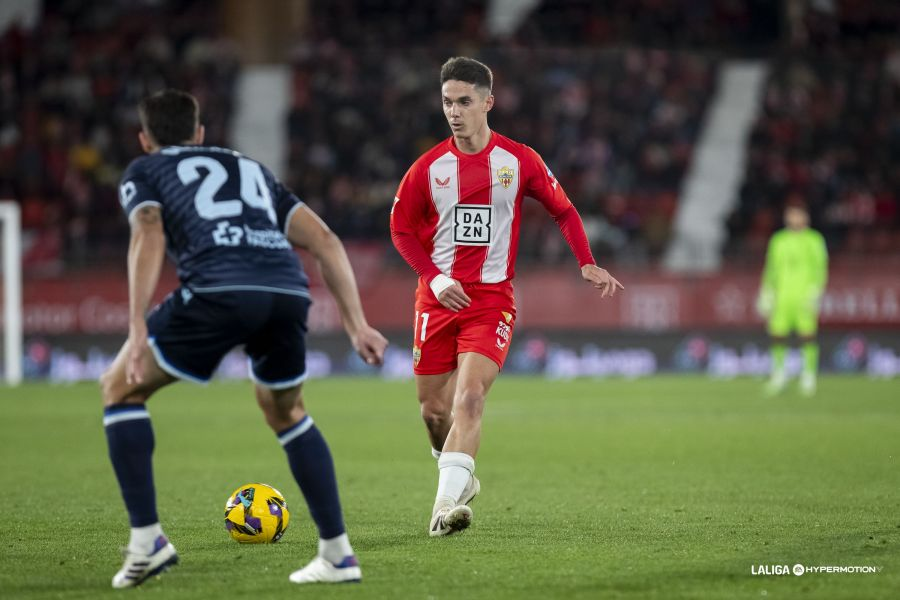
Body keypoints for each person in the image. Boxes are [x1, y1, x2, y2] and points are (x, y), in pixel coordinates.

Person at [101, 89, 387, 587]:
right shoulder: (249, 168)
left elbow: (149, 230)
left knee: (119, 389)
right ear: (200, 133)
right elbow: (324, 240)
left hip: (219, 288)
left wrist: (137, 322)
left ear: (145, 139)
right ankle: (338, 555)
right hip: (286, 290)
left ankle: (148, 542)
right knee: (286, 411)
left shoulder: (145, 170)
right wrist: (356, 323)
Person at [389, 57, 623, 536]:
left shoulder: (518, 160)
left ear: (488, 103)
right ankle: (455, 471)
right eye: (447, 102)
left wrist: (586, 260)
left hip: (491, 300)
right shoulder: (428, 168)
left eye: (464, 102)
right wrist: (434, 278)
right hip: (437, 301)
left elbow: (564, 209)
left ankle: (442, 509)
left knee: (470, 399)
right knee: (434, 411)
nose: (454, 112)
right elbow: (400, 229)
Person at [756, 202, 828, 396]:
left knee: (807, 336)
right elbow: (771, 267)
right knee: (778, 335)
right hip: (782, 297)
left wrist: (816, 291)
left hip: (803, 296)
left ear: (806, 218)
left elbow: (820, 267)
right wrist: (766, 291)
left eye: (798, 215)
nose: (794, 219)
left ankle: (808, 376)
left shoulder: (814, 239)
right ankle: (779, 375)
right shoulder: (778, 240)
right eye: (791, 215)